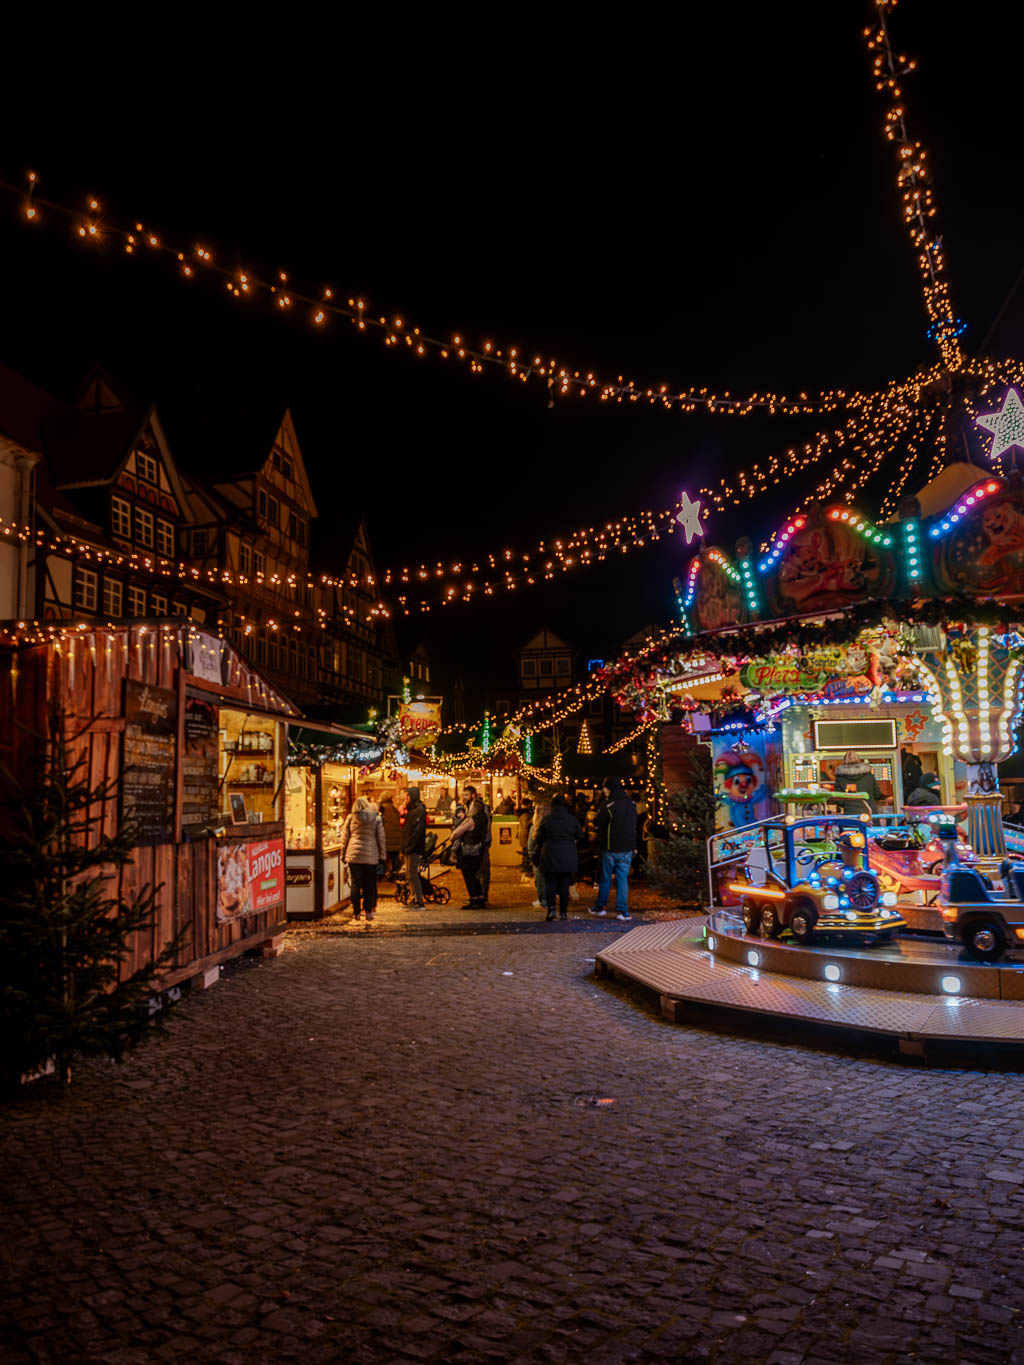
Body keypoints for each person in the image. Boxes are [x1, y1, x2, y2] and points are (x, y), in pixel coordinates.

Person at [589, 777, 637, 922]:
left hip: (610, 847)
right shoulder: (631, 804)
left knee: (605, 878)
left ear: (609, 788)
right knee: (622, 880)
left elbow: (597, 822)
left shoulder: (608, 805)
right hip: (627, 847)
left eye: (604, 787)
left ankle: (600, 907)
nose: (603, 790)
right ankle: (623, 911)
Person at [534, 794, 583, 921]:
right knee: (564, 885)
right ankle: (563, 911)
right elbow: (580, 835)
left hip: (550, 853)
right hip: (567, 855)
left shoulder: (547, 819)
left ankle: (551, 910)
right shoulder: (572, 819)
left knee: (550, 884)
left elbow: (539, 838)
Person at [340, 796, 387, 921]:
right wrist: (382, 856)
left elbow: (345, 838)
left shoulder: (351, 818)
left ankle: (356, 913)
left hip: (354, 855)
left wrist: (343, 854)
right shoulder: (376, 818)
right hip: (370, 855)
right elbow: (381, 838)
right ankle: (368, 911)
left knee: (356, 883)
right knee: (369, 884)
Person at [452, 793, 488, 908]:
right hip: (479, 849)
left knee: (469, 875)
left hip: (469, 850)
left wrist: (452, 838)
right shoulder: (484, 818)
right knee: (474, 875)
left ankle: (474, 898)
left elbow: (457, 832)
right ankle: (480, 897)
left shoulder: (472, 820)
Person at [464, 784, 492, 905]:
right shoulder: (468, 806)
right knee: (475, 868)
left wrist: (484, 839)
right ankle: (478, 894)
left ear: (473, 795)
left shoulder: (480, 807)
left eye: (466, 794)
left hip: (482, 841)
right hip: (476, 841)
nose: (464, 797)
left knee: (483, 868)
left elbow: (485, 824)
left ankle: (483, 894)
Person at [400, 786, 427, 909]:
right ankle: (414, 898)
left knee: (412, 873)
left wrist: (409, 846)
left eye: (407, 797)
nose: (405, 799)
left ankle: (419, 901)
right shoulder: (412, 810)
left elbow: (416, 832)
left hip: (413, 847)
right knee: (409, 874)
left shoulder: (418, 811)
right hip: (409, 846)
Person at [833, 750, 885, 815]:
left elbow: (838, 799)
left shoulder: (840, 778)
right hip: (869, 811)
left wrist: (847, 804)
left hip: (851, 813)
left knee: (852, 825)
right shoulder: (869, 776)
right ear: (858, 759)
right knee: (870, 825)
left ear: (844, 760)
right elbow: (878, 794)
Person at [526, 801, 551, 909]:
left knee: (540, 880)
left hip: (539, 858)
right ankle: (548, 899)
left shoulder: (535, 827)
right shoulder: (551, 825)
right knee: (548, 879)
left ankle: (543, 900)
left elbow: (530, 846)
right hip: (550, 857)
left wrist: (533, 857)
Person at [378, 794, 402, 877]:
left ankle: (384, 873)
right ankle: (395, 873)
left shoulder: (382, 807)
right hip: (396, 836)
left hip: (387, 836)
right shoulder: (393, 808)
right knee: (394, 856)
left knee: (384, 857)